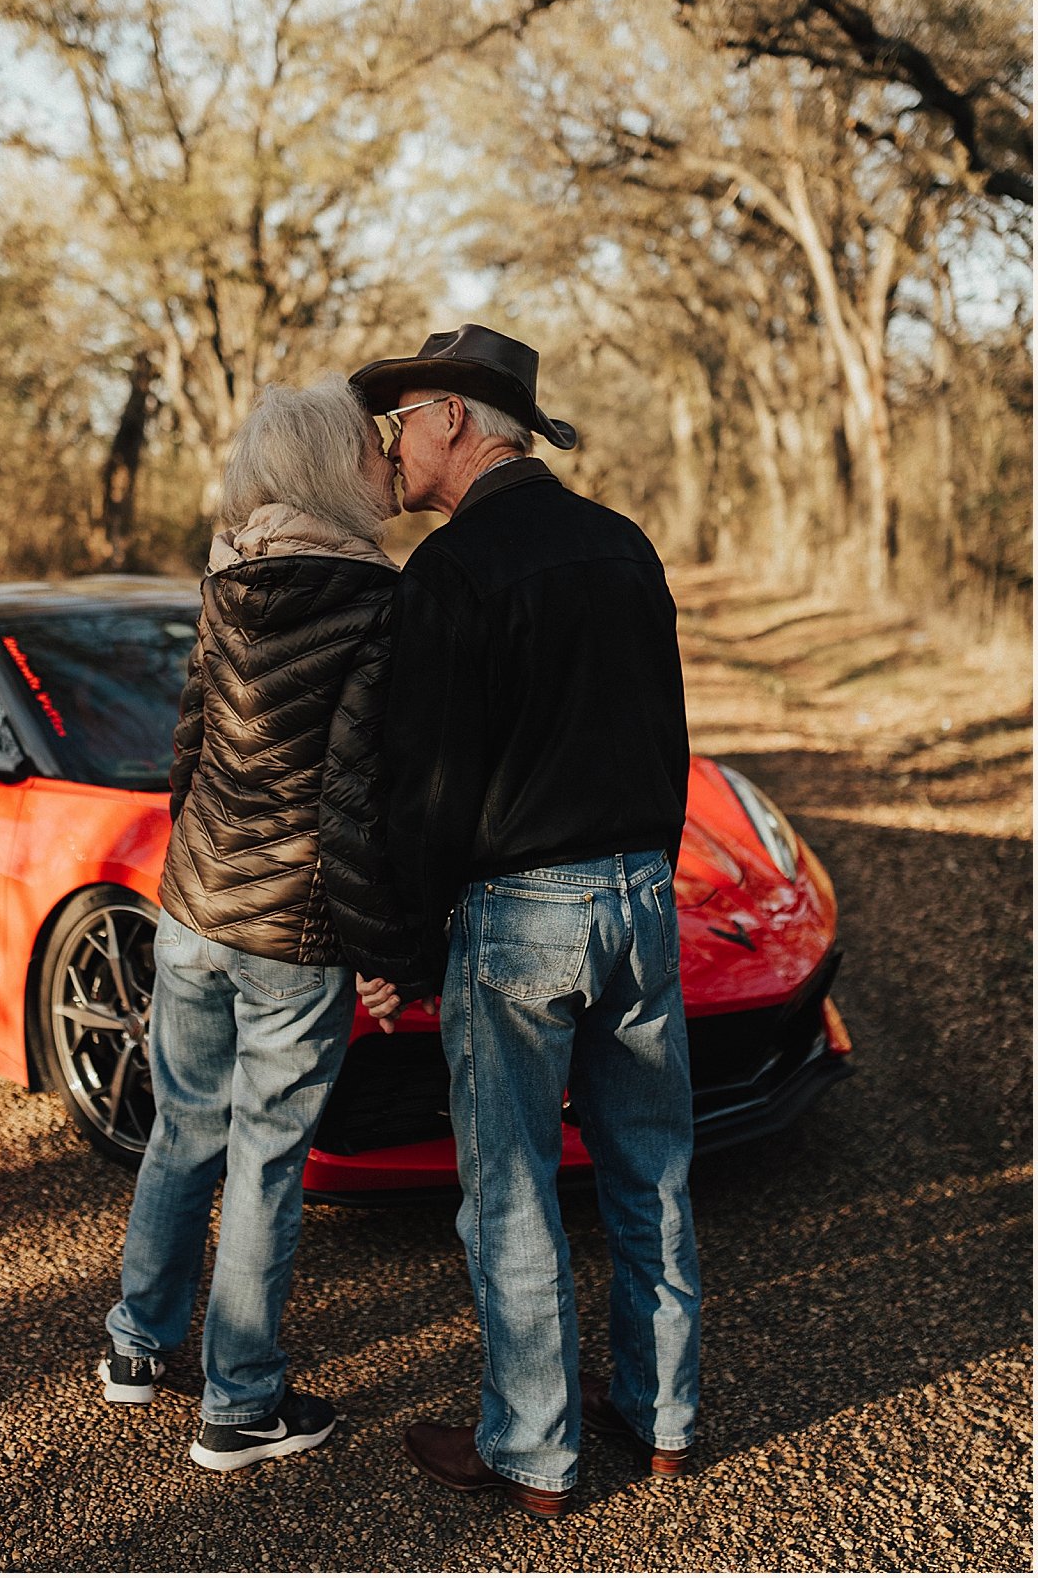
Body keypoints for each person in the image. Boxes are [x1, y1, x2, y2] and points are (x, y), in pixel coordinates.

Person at [350, 323, 701, 1520]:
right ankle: (660, 1422)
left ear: (456, 419)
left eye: (403, 421)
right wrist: (644, 868)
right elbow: (668, 738)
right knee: (648, 1173)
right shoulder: (622, 544)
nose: (392, 445)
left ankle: (535, 1453)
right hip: (641, 898)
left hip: (522, 918)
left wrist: (397, 950)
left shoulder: (451, 572)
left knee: (511, 1188)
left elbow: (427, 788)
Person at [99, 376, 422, 1472]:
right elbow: (351, 798)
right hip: (292, 929)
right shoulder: (379, 601)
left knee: (182, 1129)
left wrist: (189, 867)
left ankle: (135, 1349)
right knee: (267, 1163)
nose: (387, 465)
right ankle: (239, 1405)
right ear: (333, 467)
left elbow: (190, 741)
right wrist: (383, 950)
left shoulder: (226, 573)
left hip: (194, 903)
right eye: (372, 451)